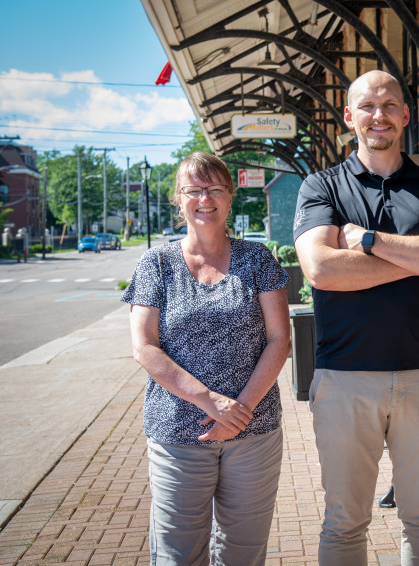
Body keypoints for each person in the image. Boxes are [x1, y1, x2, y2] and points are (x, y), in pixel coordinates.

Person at [293, 70, 419, 566]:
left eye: (390, 105)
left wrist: (373, 243)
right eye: (368, 107)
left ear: (406, 115)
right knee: (345, 522)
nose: (380, 115)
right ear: (349, 117)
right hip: (345, 379)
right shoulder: (322, 186)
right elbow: (321, 269)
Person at [123, 152, 291, 566]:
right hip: (178, 432)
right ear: (178, 200)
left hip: (254, 430)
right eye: (194, 190)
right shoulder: (156, 264)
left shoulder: (257, 259)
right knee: (178, 555)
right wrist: (210, 402)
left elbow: (280, 339)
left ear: (230, 197)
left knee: (243, 553)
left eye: (215, 189)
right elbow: (144, 346)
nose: (205, 198)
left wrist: (239, 410)